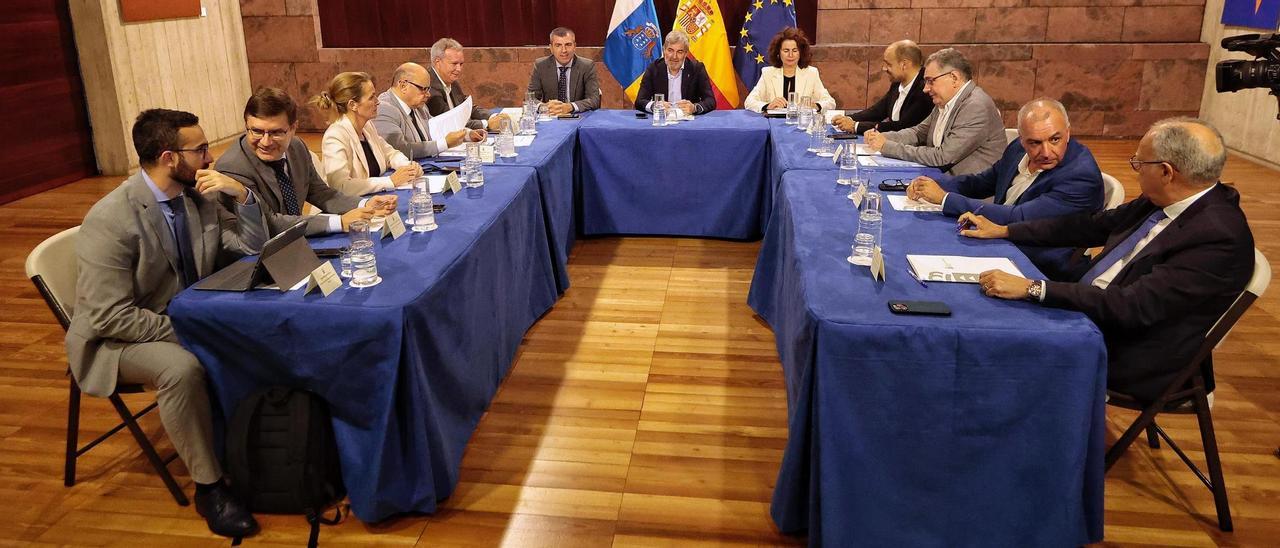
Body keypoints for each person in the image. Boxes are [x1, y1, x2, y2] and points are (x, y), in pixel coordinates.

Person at [68, 109, 267, 538]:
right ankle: (210, 487)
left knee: (254, 328)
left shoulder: (196, 199)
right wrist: (191, 329)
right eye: (199, 150)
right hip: (115, 340)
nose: (211, 157)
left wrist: (245, 197)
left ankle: (255, 444)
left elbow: (252, 249)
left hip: (179, 315)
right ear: (168, 157)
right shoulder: (111, 219)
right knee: (181, 369)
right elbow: (108, 315)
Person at [959, 118, 1254, 402]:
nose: (1136, 170)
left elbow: (1131, 306)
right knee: (979, 313)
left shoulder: (1217, 237)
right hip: (1092, 309)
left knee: (992, 343)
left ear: (1166, 172)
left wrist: (1034, 288)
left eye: (1139, 163)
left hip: (1129, 349)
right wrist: (1006, 230)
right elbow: (1088, 226)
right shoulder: (1163, 198)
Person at [906, 98, 1104, 280]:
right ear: (1022, 138)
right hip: (999, 241)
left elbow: (1018, 217)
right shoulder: (1018, 149)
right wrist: (929, 183)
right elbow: (983, 182)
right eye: (1035, 142)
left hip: (1041, 265)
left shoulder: (1080, 176)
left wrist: (945, 198)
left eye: (1055, 140)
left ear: (1068, 132)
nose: (1046, 152)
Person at [218, 87, 397, 236]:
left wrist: (365, 205)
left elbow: (320, 193)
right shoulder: (233, 168)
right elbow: (270, 223)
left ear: (293, 128)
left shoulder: (296, 147)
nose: (265, 142)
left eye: (276, 132)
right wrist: (340, 222)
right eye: (256, 131)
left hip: (296, 244)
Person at [864, 48, 1005, 176]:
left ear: (954, 78)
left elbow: (942, 157)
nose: (925, 89)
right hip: (941, 180)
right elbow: (918, 133)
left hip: (968, 195)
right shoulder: (945, 101)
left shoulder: (975, 106)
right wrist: (882, 137)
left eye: (930, 81)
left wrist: (886, 146)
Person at [309, 71, 424, 196]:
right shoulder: (335, 136)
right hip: (350, 209)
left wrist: (407, 166)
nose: (377, 101)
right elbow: (340, 186)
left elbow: (390, 154)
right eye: (371, 97)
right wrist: (389, 181)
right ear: (353, 105)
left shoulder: (367, 126)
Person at [374, 62, 484, 160]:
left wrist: (466, 134)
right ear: (403, 86)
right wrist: (445, 143)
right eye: (423, 89)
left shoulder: (418, 105)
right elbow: (401, 150)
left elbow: (438, 127)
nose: (428, 94)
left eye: (428, 89)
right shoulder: (384, 108)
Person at [832, 40, 930, 135]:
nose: (884, 68)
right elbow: (877, 111)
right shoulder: (897, 83)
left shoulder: (925, 89)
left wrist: (856, 126)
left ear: (904, 64)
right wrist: (848, 119)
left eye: (888, 64)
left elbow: (902, 127)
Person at [743, 27, 835, 113]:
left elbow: (830, 102)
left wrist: (815, 105)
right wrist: (768, 105)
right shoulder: (768, 73)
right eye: (786, 51)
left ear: (800, 53)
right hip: (775, 123)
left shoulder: (811, 73)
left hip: (801, 124)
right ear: (778, 53)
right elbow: (749, 101)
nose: (790, 55)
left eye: (795, 51)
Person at [424, 38, 508, 130]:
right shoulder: (429, 89)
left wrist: (493, 117)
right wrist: (487, 124)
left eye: (461, 64)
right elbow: (452, 124)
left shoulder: (451, 80)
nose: (459, 69)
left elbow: (467, 108)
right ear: (438, 62)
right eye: (454, 63)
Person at [634, 30, 716, 116]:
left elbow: (710, 101)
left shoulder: (697, 69)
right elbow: (639, 101)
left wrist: (694, 108)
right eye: (670, 50)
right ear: (664, 50)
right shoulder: (654, 69)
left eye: (679, 52)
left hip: (689, 122)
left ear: (685, 53)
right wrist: (655, 106)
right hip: (662, 121)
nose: (674, 56)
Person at [527, 27, 602, 115]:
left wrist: (570, 107)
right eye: (558, 45)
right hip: (551, 117)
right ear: (551, 48)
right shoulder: (541, 65)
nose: (564, 50)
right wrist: (543, 107)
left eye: (568, 45)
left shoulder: (586, 66)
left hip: (577, 117)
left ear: (574, 46)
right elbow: (530, 98)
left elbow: (594, 100)